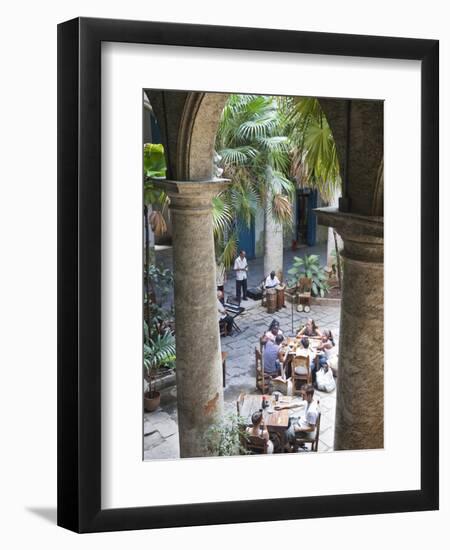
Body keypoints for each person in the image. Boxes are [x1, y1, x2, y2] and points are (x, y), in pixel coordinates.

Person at [285, 384, 319, 450]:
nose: (302, 396)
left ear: (309, 395)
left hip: (304, 431)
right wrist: (283, 406)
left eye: (304, 395)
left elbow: (312, 428)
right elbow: (297, 404)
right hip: (301, 422)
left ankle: (290, 451)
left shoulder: (311, 412)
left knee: (285, 434)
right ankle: (293, 443)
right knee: (287, 421)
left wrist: (298, 429)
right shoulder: (310, 400)